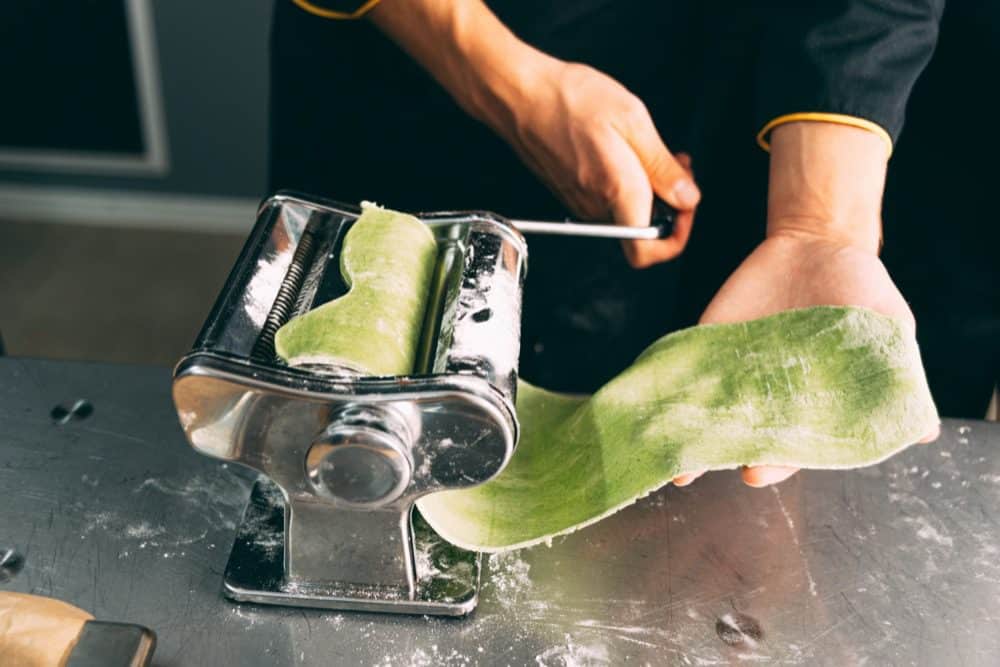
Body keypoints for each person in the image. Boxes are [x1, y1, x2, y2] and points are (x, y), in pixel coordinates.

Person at [270, 0, 953, 488]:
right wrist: (512, 85)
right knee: (365, 434)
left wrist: (818, 227)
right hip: (420, 71)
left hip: (757, 91)